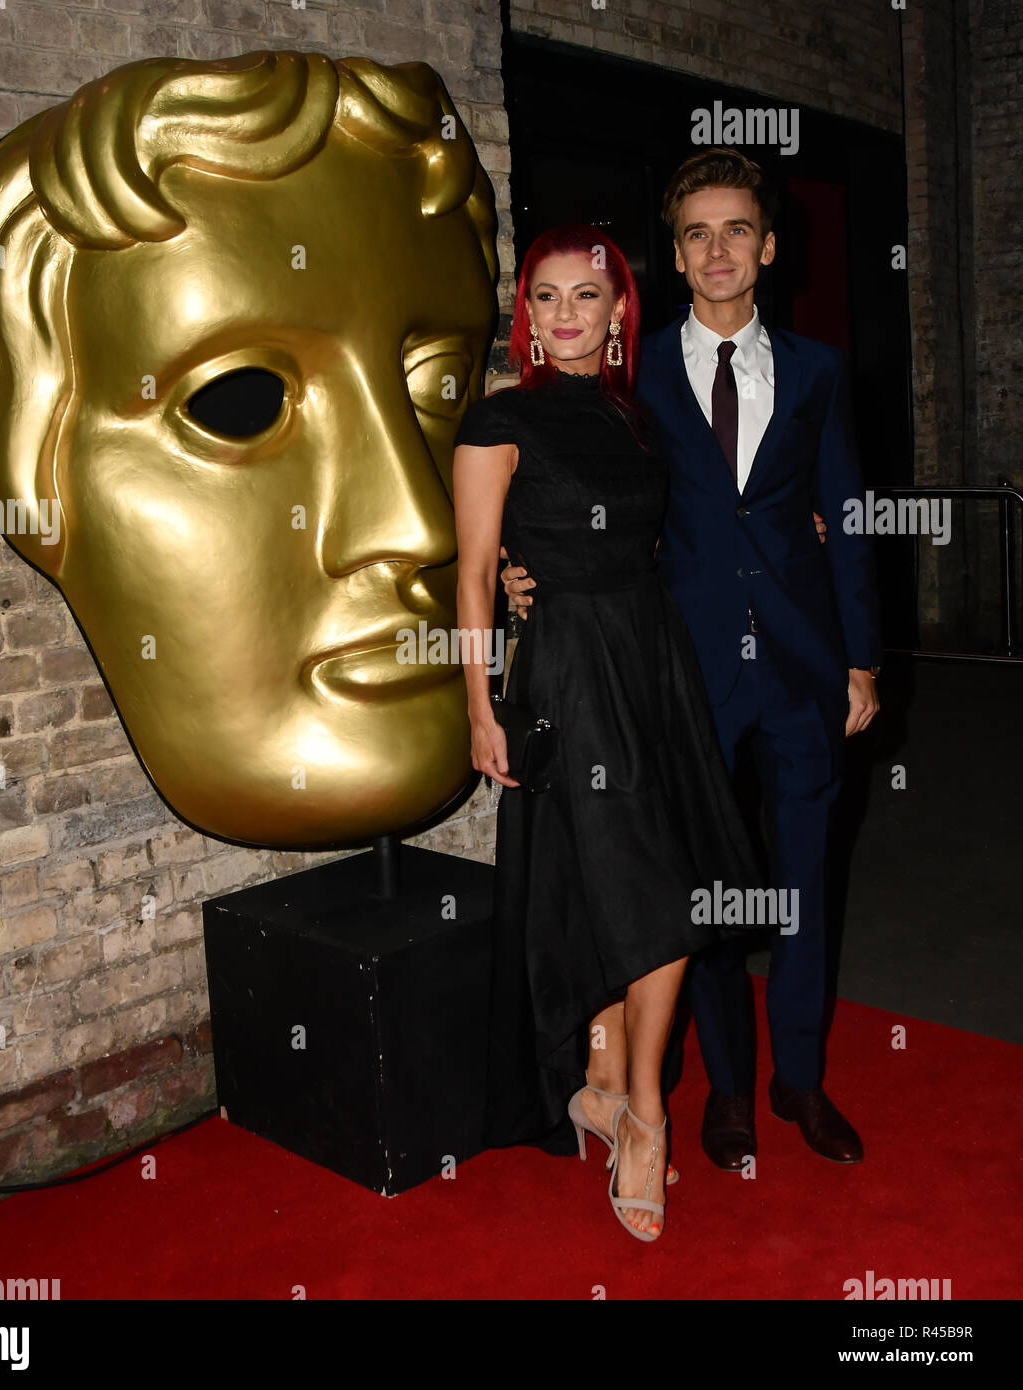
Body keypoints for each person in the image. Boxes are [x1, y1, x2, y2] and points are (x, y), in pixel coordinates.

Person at [503, 150, 881, 1173]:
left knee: (802, 883)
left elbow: (842, 514)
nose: (717, 250)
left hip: (805, 662)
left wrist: (860, 660)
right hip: (678, 670)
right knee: (703, 889)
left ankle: (796, 1076)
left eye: (735, 230)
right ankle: (721, 1091)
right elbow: (563, 485)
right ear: (672, 256)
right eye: (695, 234)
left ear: (765, 246)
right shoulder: (635, 379)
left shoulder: (816, 371)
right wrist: (513, 570)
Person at [453, 224, 762, 1240]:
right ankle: (641, 1118)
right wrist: (478, 705)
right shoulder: (498, 420)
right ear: (527, 318)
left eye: (584, 295)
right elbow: (469, 571)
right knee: (651, 892)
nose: (565, 314)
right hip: (569, 671)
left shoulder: (634, 422)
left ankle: (598, 1081)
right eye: (544, 298)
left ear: (618, 308)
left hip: (652, 660)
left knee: (626, 881)